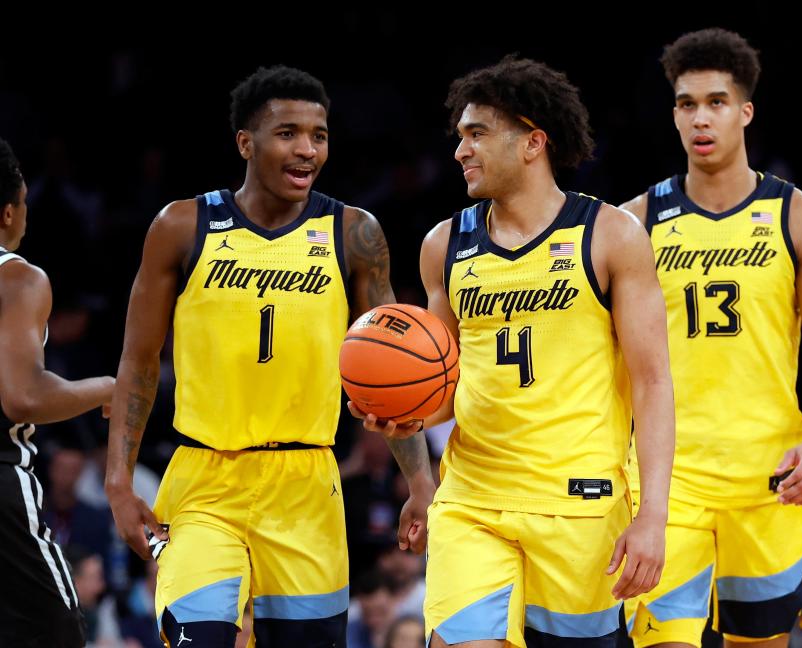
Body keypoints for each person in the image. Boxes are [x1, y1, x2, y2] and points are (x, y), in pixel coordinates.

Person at [104, 65, 434, 648]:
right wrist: (117, 483)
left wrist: (419, 480)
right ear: (245, 143)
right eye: (287, 133)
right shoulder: (183, 226)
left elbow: (392, 372)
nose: (307, 149)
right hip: (203, 480)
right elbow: (138, 361)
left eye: (320, 134)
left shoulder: (355, 234)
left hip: (306, 485)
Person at [402, 54, 675, 647]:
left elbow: (654, 383)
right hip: (472, 500)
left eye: (478, 134)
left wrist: (654, 514)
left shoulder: (611, 236)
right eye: (459, 136)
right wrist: (403, 412)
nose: (460, 150)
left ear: (533, 142)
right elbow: (440, 387)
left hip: (581, 505)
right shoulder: (443, 245)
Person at [620, 28, 802, 647]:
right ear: (672, 114)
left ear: (745, 111)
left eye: (716, 102)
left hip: (769, 475)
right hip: (666, 480)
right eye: (686, 103)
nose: (701, 118)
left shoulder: (801, 217)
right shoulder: (632, 224)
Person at [0, 136, 114, 647]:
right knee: (59, 633)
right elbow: (24, 397)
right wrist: (108, 386)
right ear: (8, 213)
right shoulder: (18, 279)